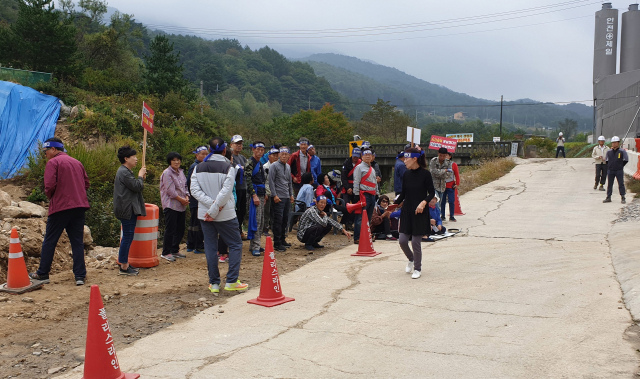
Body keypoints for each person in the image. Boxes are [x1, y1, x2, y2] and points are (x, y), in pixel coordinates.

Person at [190, 137, 249, 293]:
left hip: (205, 214)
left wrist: (210, 209)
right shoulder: (229, 167)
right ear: (224, 150)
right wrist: (215, 209)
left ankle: (214, 283)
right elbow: (226, 193)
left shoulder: (198, 168)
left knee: (210, 247)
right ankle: (231, 281)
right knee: (236, 244)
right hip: (225, 214)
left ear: (209, 150)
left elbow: (194, 191)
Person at [29, 138, 90, 285]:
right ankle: (80, 276)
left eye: (46, 151)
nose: (45, 155)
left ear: (54, 149)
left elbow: (49, 185)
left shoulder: (53, 163)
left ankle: (43, 273)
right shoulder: (77, 162)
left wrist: (52, 197)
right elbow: (86, 183)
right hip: (79, 206)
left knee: (50, 240)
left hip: (61, 207)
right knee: (77, 242)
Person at [394, 148, 435, 279]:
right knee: (402, 240)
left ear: (415, 159)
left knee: (416, 242)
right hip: (407, 211)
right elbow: (404, 194)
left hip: (420, 211)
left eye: (406, 158)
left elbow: (432, 193)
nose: (404, 161)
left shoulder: (426, 174)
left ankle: (417, 268)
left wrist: (424, 202)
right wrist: (393, 205)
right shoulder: (406, 174)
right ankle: (411, 259)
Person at [112, 145, 146, 276]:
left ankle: (124, 262)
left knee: (128, 236)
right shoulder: (124, 172)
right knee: (127, 236)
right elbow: (137, 186)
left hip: (127, 208)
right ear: (126, 158)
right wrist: (140, 176)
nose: (136, 159)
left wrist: (140, 178)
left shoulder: (125, 171)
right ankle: (124, 266)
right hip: (127, 209)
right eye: (134, 157)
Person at [159, 152, 189, 262]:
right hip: (171, 204)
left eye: (178, 160)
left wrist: (186, 196)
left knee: (180, 228)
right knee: (170, 229)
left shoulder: (181, 172)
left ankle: (174, 249)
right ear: (170, 162)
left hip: (181, 204)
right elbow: (170, 190)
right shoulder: (167, 173)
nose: (176, 162)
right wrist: (182, 200)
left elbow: (185, 186)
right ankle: (166, 252)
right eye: (174, 160)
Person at [268, 146, 295, 252]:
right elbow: (271, 181)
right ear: (279, 155)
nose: (284, 156)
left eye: (286, 154)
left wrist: (291, 194)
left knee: (285, 219)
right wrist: (274, 195)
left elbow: (289, 182)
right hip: (278, 196)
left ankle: (283, 239)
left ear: (289, 156)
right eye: (282, 154)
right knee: (277, 220)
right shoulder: (274, 166)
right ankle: (277, 242)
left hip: (286, 196)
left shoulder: (288, 167)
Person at [245, 141, 267, 257]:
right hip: (254, 194)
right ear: (253, 149)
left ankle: (256, 244)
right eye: (257, 149)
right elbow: (248, 180)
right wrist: (254, 195)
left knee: (261, 220)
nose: (259, 151)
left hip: (261, 193)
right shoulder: (250, 162)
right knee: (256, 221)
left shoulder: (260, 163)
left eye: (262, 150)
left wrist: (265, 194)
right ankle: (255, 246)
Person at [353, 148, 378, 245]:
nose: (368, 156)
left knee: (368, 217)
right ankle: (357, 237)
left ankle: (366, 236)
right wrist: (356, 194)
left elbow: (374, 182)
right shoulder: (359, 167)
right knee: (360, 217)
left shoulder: (372, 169)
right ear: (362, 156)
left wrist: (377, 193)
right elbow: (356, 181)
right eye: (365, 154)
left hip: (372, 195)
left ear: (372, 157)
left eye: (369, 154)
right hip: (363, 195)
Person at [186, 146, 208, 254]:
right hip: (196, 199)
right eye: (202, 154)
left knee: (194, 223)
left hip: (198, 199)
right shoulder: (195, 167)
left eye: (206, 154)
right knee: (197, 223)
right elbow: (190, 184)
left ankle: (191, 244)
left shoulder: (201, 166)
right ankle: (198, 245)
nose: (204, 156)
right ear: (197, 155)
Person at [230, 135, 248, 239]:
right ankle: (234, 232)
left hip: (243, 187)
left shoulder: (242, 158)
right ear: (231, 145)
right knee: (234, 211)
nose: (239, 146)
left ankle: (239, 230)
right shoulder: (229, 157)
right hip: (234, 188)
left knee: (242, 211)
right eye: (237, 144)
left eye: (240, 144)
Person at [340, 147, 362, 230]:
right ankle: (343, 222)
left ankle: (349, 223)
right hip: (347, 188)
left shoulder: (361, 163)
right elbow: (343, 177)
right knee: (346, 206)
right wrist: (348, 188)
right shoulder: (346, 163)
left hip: (356, 187)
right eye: (354, 156)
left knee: (356, 206)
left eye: (357, 156)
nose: (355, 158)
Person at [603, 136, 628, 204]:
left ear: (618, 143)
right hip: (611, 170)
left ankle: (623, 197)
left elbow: (626, 160)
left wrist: (620, 165)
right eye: (613, 143)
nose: (614, 144)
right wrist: (610, 166)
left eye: (615, 143)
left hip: (619, 170)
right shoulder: (609, 152)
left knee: (621, 184)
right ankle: (608, 197)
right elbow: (607, 160)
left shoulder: (622, 151)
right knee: (610, 184)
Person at [263, 146, 280, 236]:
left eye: (277, 155)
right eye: (273, 155)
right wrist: (264, 193)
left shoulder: (280, 166)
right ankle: (265, 228)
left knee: (275, 212)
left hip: (277, 193)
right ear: (269, 156)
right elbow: (262, 181)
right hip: (268, 192)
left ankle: (274, 228)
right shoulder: (265, 167)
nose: (276, 157)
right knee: (267, 212)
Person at [440, 151, 458, 222]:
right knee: (442, 201)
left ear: (450, 156)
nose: (445, 157)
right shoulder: (440, 164)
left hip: (451, 185)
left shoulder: (453, 164)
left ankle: (452, 216)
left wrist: (457, 184)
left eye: (446, 155)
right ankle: (443, 215)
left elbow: (457, 175)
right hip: (442, 185)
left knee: (451, 201)